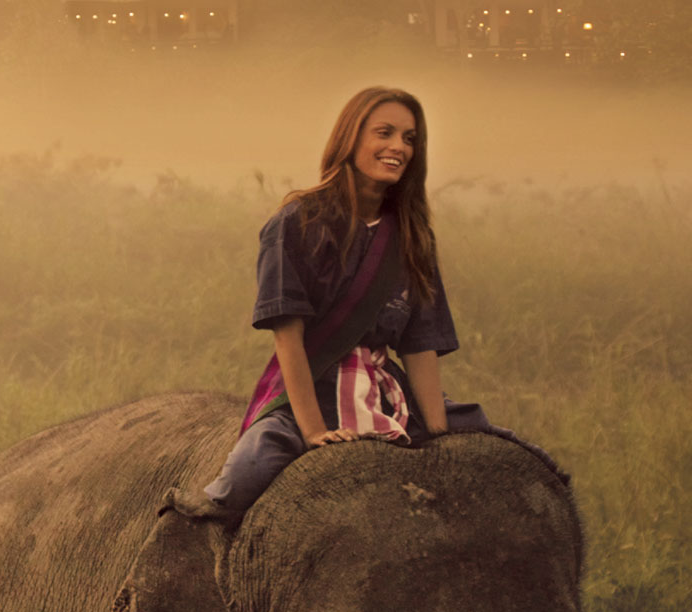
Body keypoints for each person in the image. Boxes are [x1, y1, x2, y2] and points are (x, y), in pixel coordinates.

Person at [174, 86, 503, 523]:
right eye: (384, 132)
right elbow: (288, 339)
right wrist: (312, 431)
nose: (398, 147)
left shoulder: (412, 236)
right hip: (313, 389)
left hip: (388, 391)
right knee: (241, 480)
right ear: (350, 138)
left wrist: (439, 437)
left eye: (409, 138)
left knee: (505, 449)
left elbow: (420, 345)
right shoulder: (296, 222)